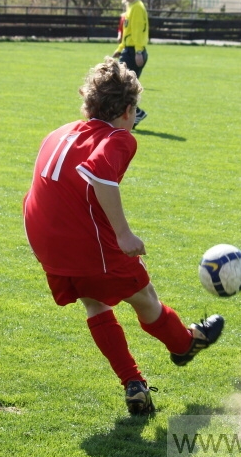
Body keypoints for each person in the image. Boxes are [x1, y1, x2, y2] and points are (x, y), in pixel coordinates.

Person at [23, 58, 224, 416]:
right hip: (84, 242)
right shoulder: (119, 137)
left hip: (43, 237)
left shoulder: (61, 131)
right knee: (144, 296)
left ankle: (134, 383)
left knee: (94, 302)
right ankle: (185, 344)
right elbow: (100, 173)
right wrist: (124, 234)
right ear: (129, 110)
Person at [112, 0, 149, 128]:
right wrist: (121, 47)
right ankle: (133, 114)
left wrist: (138, 51)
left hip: (134, 51)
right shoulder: (130, 7)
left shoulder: (137, 7)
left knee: (122, 86)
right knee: (121, 85)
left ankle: (136, 113)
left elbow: (138, 31)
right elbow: (128, 32)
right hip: (129, 49)